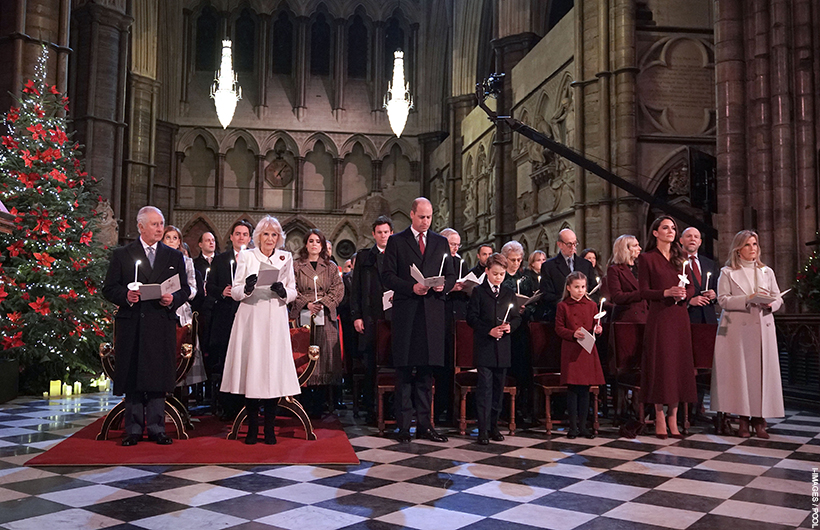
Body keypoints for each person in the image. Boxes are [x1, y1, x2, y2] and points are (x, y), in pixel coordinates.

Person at [102, 206, 190, 446]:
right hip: (133, 324)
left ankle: (156, 427)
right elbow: (109, 288)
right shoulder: (123, 254)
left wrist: (173, 299)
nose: (160, 229)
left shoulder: (173, 256)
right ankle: (132, 429)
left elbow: (185, 289)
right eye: (154, 224)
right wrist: (126, 296)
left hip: (160, 322)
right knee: (133, 375)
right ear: (140, 227)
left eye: (161, 224)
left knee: (157, 377)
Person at [381, 197, 456, 443]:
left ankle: (425, 425)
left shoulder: (440, 242)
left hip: (432, 314)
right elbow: (388, 277)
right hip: (407, 314)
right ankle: (403, 427)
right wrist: (411, 287)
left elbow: (451, 275)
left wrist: (441, 287)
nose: (425, 222)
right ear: (412, 215)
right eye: (421, 217)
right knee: (404, 373)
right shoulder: (396, 241)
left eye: (429, 217)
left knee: (426, 374)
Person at [221, 216, 300, 445]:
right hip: (251, 317)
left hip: (274, 316)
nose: (270, 239)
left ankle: (270, 429)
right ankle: (253, 427)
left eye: (274, 235)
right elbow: (235, 291)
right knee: (253, 370)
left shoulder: (285, 258)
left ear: (279, 238)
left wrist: (282, 290)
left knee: (272, 371)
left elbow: (293, 290)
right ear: (258, 237)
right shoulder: (246, 256)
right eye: (266, 234)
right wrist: (246, 288)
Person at [711, 230, 783, 439]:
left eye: (755, 244)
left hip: (762, 326)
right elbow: (723, 300)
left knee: (761, 372)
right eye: (748, 245)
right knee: (741, 373)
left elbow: (778, 297)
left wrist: (772, 304)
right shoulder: (727, 272)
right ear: (738, 249)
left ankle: (759, 420)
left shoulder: (766, 271)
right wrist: (747, 298)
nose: (753, 248)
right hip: (738, 330)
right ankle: (743, 417)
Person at [638, 216, 697, 439]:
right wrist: (666, 292)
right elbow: (643, 291)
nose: (671, 231)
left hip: (679, 316)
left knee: (677, 366)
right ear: (655, 233)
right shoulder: (647, 258)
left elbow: (691, 287)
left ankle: (674, 419)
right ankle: (659, 417)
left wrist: (684, 293)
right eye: (665, 228)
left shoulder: (680, 257)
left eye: (673, 227)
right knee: (661, 366)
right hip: (660, 317)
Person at [466, 253, 520, 444]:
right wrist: (489, 330)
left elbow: (516, 317)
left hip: (503, 349)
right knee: (485, 390)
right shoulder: (479, 292)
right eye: (495, 273)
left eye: (502, 274)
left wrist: (510, 327)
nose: (498, 277)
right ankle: (482, 430)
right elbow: (471, 318)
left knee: (498, 390)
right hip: (485, 348)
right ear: (487, 271)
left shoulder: (508, 293)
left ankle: (494, 427)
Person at [290, 229, 345, 416]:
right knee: (304, 355)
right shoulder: (296, 266)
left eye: (318, 242)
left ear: (322, 246)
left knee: (324, 357)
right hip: (303, 316)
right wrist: (307, 303)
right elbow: (291, 288)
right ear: (306, 244)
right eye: (311, 241)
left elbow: (338, 289)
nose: (314, 244)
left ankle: (321, 402)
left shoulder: (330, 267)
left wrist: (322, 303)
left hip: (325, 317)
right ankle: (303, 400)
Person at [206, 219, 253, 417]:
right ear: (231, 237)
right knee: (227, 361)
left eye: (245, 234)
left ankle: (247, 406)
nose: (241, 237)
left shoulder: (253, 258)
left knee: (246, 361)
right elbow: (209, 286)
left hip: (248, 315)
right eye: (238, 234)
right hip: (225, 316)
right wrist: (222, 291)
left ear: (250, 239)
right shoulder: (220, 259)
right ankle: (227, 407)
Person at [351, 216, 393, 419]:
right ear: (374, 234)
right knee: (369, 362)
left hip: (392, 317)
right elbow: (357, 289)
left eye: (386, 232)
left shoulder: (397, 255)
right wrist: (357, 316)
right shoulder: (365, 256)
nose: (383, 235)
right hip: (370, 316)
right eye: (379, 232)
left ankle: (390, 408)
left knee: (391, 361)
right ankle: (370, 408)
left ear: (391, 233)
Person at [555, 271, 605, 439]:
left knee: (585, 390)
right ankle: (573, 427)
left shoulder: (592, 305)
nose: (580, 290)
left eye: (583, 287)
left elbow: (595, 326)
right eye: (576, 287)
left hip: (586, 350)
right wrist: (572, 333)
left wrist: (598, 330)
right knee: (572, 390)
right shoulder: (563, 306)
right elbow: (558, 328)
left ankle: (583, 426)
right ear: (568, 288)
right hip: (571, 350)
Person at [162, 226, 207, 391]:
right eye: (168, 237)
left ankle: (182, 402)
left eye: (175, 238)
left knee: (183, 354)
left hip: (181, 310)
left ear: (180, 241)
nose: (172, 241)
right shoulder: (156, 260)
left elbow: (193, 289)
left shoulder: (187, 262)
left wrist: (177, 295)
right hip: (160, 308)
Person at [500, 240, 536, 424]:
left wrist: (526, 310)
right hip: (506, 330)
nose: (516, 263)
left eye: (518, 259)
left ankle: (523, 409)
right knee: (507, 369)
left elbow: (533, 303)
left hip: (522, 329)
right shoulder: (501, 278)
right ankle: (505, 409)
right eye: (512, 259)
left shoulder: (526, 279)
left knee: (523, 370)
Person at [538, 229, 597, 321]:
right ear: (559, 244)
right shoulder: (549, 266)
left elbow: (593, 289)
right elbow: (546, 294)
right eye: (569, 244)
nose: (573, 247)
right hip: (561, 315)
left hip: (584, 314)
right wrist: (568, 306)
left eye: (575, 243)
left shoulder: (586, 264)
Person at [679, 227, 719, 325]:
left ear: (700, 242)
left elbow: (718, 288)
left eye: (696, 237)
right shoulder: (675, 263)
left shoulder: (710, 264)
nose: (693, 239)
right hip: (686, 317)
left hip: (708, 318)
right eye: (689, 236)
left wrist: (714, 295)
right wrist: (689, 301)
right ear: (681, 240)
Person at [606, 235, 647, 323]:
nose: (640, 248)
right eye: (635, 246)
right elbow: (618, 297)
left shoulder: (641, 267)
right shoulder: (614, 270)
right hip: (627, 317)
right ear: (626, 249)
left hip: (646, 316)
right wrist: (642, 293)